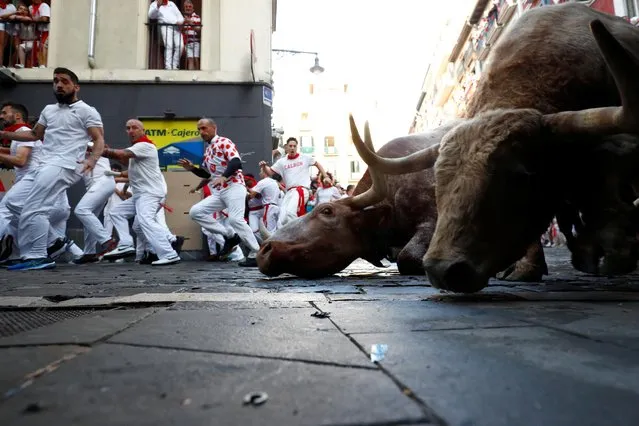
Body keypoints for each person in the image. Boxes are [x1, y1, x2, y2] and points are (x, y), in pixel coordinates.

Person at [0, 68, 111, 270]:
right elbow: (34, 135)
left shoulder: (87, 110)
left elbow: (98, 139)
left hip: (65, 165)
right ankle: (43, 248)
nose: (59, 85)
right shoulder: (49, 110)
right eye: (56, 81)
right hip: (44, 164)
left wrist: (92, 160)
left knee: (36, 208)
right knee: (13, 204)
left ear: (75, 87)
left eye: (64, 81)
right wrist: (4, 134)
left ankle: (38, 255)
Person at [178, 118, 260, 267]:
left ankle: (257, 253)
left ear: (213, 128)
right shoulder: (208, 150)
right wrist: (192, 169)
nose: (201, 132)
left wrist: (223, 177)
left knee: (236, 220)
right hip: (219, 192)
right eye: (199, 130)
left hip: (234, 187)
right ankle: (230, 235)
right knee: (195, 212)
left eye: (204, 128)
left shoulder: (224, 142)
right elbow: (207, 175)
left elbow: (236, 162)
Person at [101, 119, 180, 265]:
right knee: (117, 213)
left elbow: (120, 154)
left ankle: (169, 252)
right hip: (141, 194)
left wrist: (100, 150)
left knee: (145, 221)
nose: (130, 130)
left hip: (150, 193)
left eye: (134, 127)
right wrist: (115, 173)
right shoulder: (137, 150)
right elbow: (129, 170)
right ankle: (126, 244)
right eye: (128, 128)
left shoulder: (145, 145)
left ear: (143, 131)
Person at [259, 137, 327, 227]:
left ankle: (298, 235)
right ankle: (285, 238)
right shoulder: (282, 162)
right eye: (290, 146)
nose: (292, 148)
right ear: (286, 147)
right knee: (281, 218)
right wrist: (264, 166)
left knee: (290, 212)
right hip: (289, 192)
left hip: (301, 190)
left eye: (294, 146)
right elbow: (270, 173)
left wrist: (325, 176)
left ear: (297, 147)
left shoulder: (304, 158)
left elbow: (317, 164)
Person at [148, 0, 184, 70]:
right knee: (169, 45)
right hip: (166, 27)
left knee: (180, 46)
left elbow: (179, 15)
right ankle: (168, 66)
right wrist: (157, 6)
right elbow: (151, 16)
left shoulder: (171, 4)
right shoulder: (154, 4)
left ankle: (174, 64)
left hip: (177, 27)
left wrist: (181, 21)